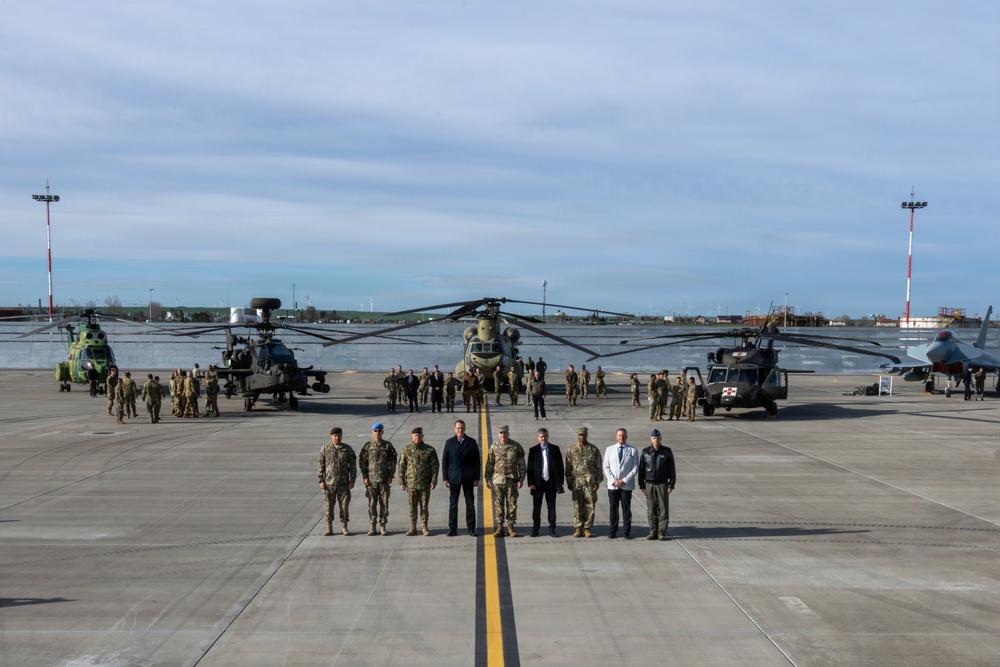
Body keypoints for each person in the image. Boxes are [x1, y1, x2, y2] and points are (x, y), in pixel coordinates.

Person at [484, 424, 527, 537]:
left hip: (511, 480)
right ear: (498, 435)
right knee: (498, 504)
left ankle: (511, 527)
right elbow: (489, 464)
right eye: (501, 433)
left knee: (512, 504)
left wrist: (521, 479)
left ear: (508, 434)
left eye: (505, 433)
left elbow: (521, 464)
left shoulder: (515, 447)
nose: (503, 435)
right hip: (498, 481)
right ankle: (499, 527)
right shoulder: (494, 447)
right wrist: (488, 478)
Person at [441, 420, 481, 536]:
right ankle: (453, 529)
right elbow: (445, 461)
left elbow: (476, 461)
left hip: (468, 478)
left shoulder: (472, 442)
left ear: (465, 429)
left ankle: (471, 529)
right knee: (453, 505)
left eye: (462, 428)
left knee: (470, 505)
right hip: (454, 478)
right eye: (458, 428)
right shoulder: (449, 443)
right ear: (454, 429)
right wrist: (445, 478)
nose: (460, 430)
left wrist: (476, 477)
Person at [317, 426, 357, 536]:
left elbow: (353, 465)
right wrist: (321, 480)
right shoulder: (325, 449)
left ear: (341, 436)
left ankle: (344, 527)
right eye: (335, 436)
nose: (337, 438)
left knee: (344, 506)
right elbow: (321, 465)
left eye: (339, 436)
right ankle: (328, 527)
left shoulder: (347, 449)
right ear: (331, 436)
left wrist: (352, 480)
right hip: (329, 484)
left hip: (343, 484)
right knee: (329, 506)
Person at [359, 423, 398, 535]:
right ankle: (372, 525)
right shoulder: (367, 446)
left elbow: (393, 461)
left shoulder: (387, 446)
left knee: (384, 504)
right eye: (375, 430)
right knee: (372, 504)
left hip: (384, 480)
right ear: (372, 432)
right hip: (371, 481)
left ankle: (382, 525)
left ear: (382, 432)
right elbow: (362, 462)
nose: (377, 433)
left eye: (379, 430)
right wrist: (365, 476)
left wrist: (391, 475)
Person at [399, 427, 439, 536]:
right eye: (415, 435)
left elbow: (435, 467)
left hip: (425, 483)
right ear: (412, 436)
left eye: (419, 435)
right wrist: (401, 482)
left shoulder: (429, 450)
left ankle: (424, 527)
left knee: (424, 506)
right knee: (412, 506)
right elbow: (401, 467)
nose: (417, 437)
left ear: (422, 436)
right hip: (411, 484)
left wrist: (433, 481)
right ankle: (412, 527)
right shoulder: (406, 450)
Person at [565, 426, 604, 538]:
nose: (582, 437)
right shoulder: (572, 449)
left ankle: (587, 528)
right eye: (580, 435)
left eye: (584, 435)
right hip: (576, 482)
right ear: (578, 436)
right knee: (577, 505)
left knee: (590, 505)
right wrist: (568, 481)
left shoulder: (593, 450)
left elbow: (599, 467)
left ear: (587, 435)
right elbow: (568, 467)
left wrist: (597, 481)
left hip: (589, 482)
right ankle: (578, 527)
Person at [639, 429, 676, 540]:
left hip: (662, 484)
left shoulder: (667, 452)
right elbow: (641, 470)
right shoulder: (646, 452)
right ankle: (653, 531)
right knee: (651, 509)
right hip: (649, 484)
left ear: (661, 439)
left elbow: (672, 470)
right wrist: (642, 486)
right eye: (654, 438)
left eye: (658, 438)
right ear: (651, 439)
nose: (656, 440)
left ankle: (661, 532)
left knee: (663, 509)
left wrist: (671, 485)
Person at [526, 427, 564, 537]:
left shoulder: (554, 449)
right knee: (536, 507)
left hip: (550, 482)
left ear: (548, 436)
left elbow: (560, 466)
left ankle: (552, 529)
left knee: (551, 506)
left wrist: (560, 481)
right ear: (538, 437)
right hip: (537, 483)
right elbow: (530, 468)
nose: (544, 438)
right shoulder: (533, 451)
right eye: (541, 436)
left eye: (545, 436)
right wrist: (530, 483)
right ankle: (535, 529)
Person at [603, 428, 638, 539]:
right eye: (619, 435)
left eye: (623, 435)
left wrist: (624, 480)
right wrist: (614, 481)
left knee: (626, 508)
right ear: (616, 436)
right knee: (613, 508)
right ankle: (613, 531)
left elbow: (635, 467)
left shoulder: (633, 450)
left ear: (626, 436)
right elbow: (606, 466)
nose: (621, 437)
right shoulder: (609, 449)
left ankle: (626, 531)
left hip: (626, 485)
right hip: (613, 486)